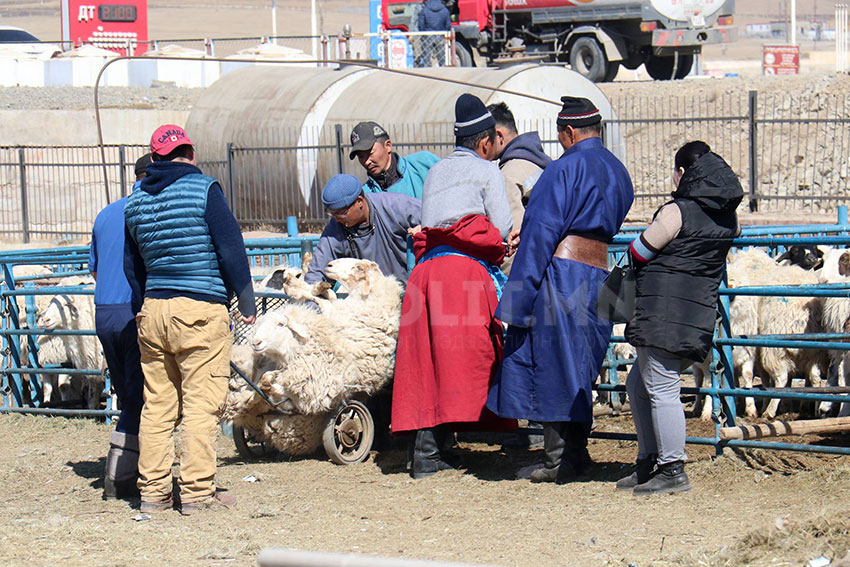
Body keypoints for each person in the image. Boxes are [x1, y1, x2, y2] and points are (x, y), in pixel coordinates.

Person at [486, 96, 634, 484]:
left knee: (553, 362)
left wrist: (516, 299)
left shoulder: (562, 170)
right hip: (599, 272)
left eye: (560, 136)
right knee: (582, 365)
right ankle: (576, 454)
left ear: (569, 132)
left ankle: (557, 461)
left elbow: (539, 236)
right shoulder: (619, 171)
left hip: (561, 274)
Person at [124, 124, 256, 516]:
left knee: (158, 406)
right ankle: (197, 493)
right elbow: (230, 249)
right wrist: (245, 300)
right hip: (199, 310)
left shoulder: (135, 201)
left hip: (153, 311)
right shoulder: (204, 190)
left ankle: (153, 494)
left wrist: (143, 305)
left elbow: (133, 266)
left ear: (155, 159)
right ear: (191, 154)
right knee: (202, 405)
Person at [392, 93, 514, 479]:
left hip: (425, 274)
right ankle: (431, 451)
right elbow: (503, 228)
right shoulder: (487, 171)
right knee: (469, 358)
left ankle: (428, 450)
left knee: (428, 361)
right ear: (484, 142)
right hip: (463, 274)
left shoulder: (434, 172)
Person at [618, 140, 742, 495]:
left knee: (662, 390)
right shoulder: (728, 218)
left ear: (683, 174)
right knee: (638, 385)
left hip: (662, 313)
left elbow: (640, 250)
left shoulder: (678, 211)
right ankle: (648, 461)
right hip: (696, 312)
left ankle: (671, 468)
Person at [90, 153, 150, 500]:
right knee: (139, 397)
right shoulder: (150, 209)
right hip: (134, 310)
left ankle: (125, 468)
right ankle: (121, 475)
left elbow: (95, 269)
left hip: (104, 312)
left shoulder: (106, 212)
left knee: (126, 393)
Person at [305, 174, 421, 285]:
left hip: (409, 291)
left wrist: (425, 228)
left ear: (359, 201)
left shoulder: (394, 206)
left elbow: (434, 217)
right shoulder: (335, 228)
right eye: (332, 214)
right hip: (368, 299)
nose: (336, 219)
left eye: (341, 213)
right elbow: (316, 273)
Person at [487, 101, 552, 275]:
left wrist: (510, 287)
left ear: (499, 136)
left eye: (486, 138)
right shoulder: (539, 162)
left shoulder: (508, 174)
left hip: (528, 274)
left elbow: (513, 242)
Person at [349, 121, 439, 199]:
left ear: (388, 145)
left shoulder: (424, 163)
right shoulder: (367, 196)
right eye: (361, 157)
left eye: (370, 153)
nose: (366, 162)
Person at [418, 0, 451, 66]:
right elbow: (448, 25)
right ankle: (444, 72)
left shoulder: (424, 9)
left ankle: (425, 73)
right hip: (440, 35)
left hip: (427, 36)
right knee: (441, 58)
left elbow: (420, 25)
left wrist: (424, 32)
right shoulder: (444, 10)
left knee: (426, 58)